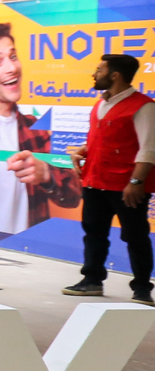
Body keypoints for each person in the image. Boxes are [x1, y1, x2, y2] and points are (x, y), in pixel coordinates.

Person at [0, 21, 80, 238]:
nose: (11, 68)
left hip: (26, 248)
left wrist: (47, 175)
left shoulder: (36, 129)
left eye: (13, 57)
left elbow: (73, 196)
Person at [64, 53, 153, 304]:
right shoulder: (100, 104)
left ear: (115, 75)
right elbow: (104, 138)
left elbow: (149, 149)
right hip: (95, 181)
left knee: (135, 236)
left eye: (99, 70)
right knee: (94, 233)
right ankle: (92, 280)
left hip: (126, 185)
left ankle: (142, 288)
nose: (94, 74)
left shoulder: (144, 106)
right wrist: (83, 150)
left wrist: (136, 182)